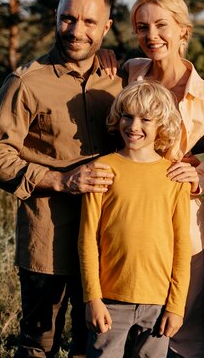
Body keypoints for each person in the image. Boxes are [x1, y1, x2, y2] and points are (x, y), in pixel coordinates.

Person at [0, 0, 122, 358]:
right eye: (68, 18)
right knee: (38, 344)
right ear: (55, 18)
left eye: (90, 22)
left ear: (106, 27)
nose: (76, 31)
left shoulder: (120, 80)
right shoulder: (27, 82)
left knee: (94, 342)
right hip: (48, 240)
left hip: (108, 240)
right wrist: (59, 180)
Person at [122, 0, 204, 358]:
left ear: (183, 31)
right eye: (142, 27)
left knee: (182, 321)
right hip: (129, 215)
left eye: (161, 25)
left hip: (181, 222)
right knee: (132, 314)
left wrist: (200, 174)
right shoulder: (129, 74)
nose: (151, 35)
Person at [79, 81, 192, 357]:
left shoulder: (174, 177)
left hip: (158, 302)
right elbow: (88, 238)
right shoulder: (102, 169)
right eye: (127, 116)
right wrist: (92, 297)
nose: (133, 126)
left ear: (162, 125)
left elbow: (181, 247)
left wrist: (176, 306)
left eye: (146, 119)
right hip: (110, 300)